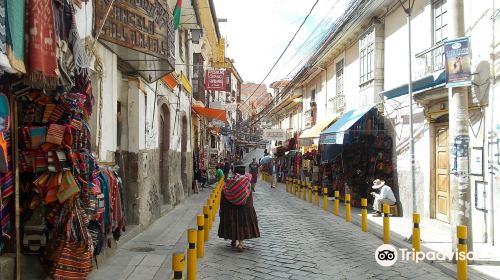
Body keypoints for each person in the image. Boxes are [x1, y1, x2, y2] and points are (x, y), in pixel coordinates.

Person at [218, 169, 260, 252]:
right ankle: (241, 244)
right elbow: (249, 196)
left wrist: (222, 208)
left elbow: (224, 195)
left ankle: (234, 240)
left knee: (233, 223)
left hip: (231, 208)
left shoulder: (229, 183)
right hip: (244, 208)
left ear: (234, 172)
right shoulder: (247, 183)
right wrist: (250, 209)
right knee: (242, 225)